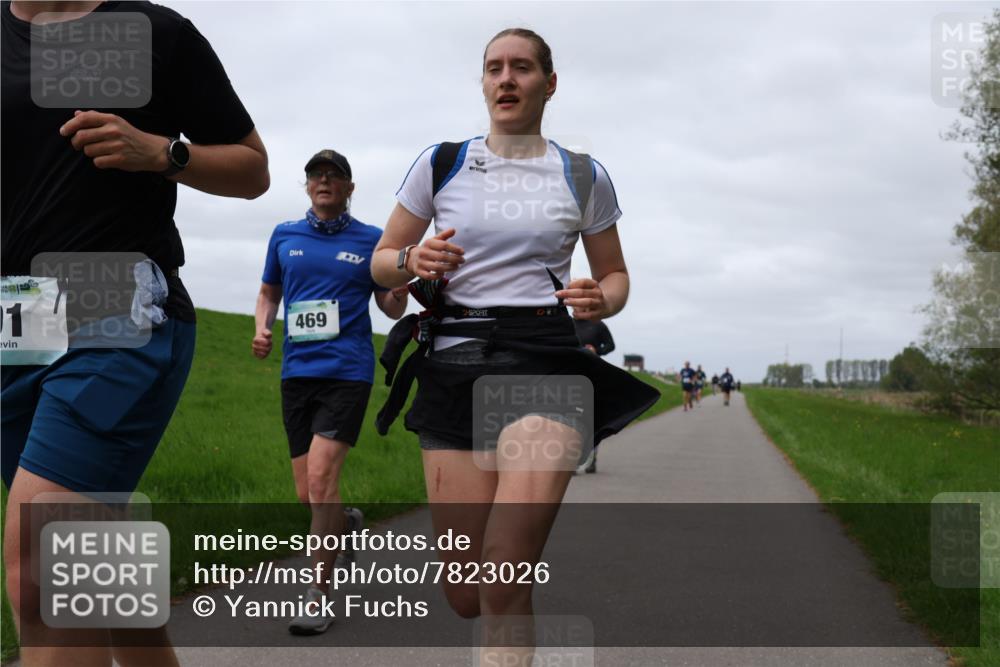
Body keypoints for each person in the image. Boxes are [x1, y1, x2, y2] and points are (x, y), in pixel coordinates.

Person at [370, 28, 658, 661]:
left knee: (503, 578)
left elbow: (616, 276)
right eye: (494, 68)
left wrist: (601, 299)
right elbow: (381, 264)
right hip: (452, 361)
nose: (506, 79)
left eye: (522, 68)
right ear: (482, 83)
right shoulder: (440, 163)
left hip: (545, 363)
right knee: (467, 593)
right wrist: (413, 256)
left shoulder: (581, 174)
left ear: (548, 84)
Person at [1, 1, 269, 665]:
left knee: (48, 565)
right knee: (99, 567)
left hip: (116, 301)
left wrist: (162, 152)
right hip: (16, 316)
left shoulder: (156, 33)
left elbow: (253, 168)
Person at [253, 149, 407, 635]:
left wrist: (402, 281)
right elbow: (269, 293)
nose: (324, 181)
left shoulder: (371, 240)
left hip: (347, 371)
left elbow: (390, 308)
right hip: (297, 372)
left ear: (348, 187)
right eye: (316, 175)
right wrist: (263, 328)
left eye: (334, 175)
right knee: (308, 493)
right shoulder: (284, 235)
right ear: (307, 187)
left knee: (321, 480)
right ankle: (347, 523)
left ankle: (317, 597)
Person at [573, 319, 616, 474]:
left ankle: (592, 459)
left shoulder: (597, 324)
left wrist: (597, 350)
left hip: (592, 373)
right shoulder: (567, 323)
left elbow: (610, 345)